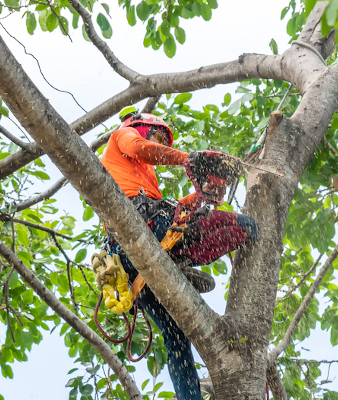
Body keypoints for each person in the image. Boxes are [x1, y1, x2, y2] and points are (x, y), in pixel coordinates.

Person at [99, 110, 257, 400]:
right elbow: (140, 149)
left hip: (146, 256)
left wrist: (202, 195)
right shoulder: (123, 136)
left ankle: (190, 398)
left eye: (163, 140)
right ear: (141, 126)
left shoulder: (145, 180)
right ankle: (178, 262)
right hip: (142, 234)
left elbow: (173, 208)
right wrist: (188, 159)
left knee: (176, 339)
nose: (160, 143)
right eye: (157, 136)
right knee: (245, 225)